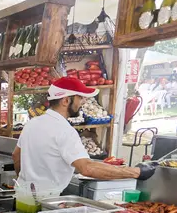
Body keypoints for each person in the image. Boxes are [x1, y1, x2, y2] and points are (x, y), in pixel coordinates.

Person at [13, 77, 156, 194]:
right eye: (80, 98)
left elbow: (16, 156)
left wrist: (25, 184)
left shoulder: (32, 123)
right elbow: (87, 168)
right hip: (47, 198)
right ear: (65, 100)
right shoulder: (65, 130)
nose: (83, 102)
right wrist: (136, 172)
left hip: (23, 195)